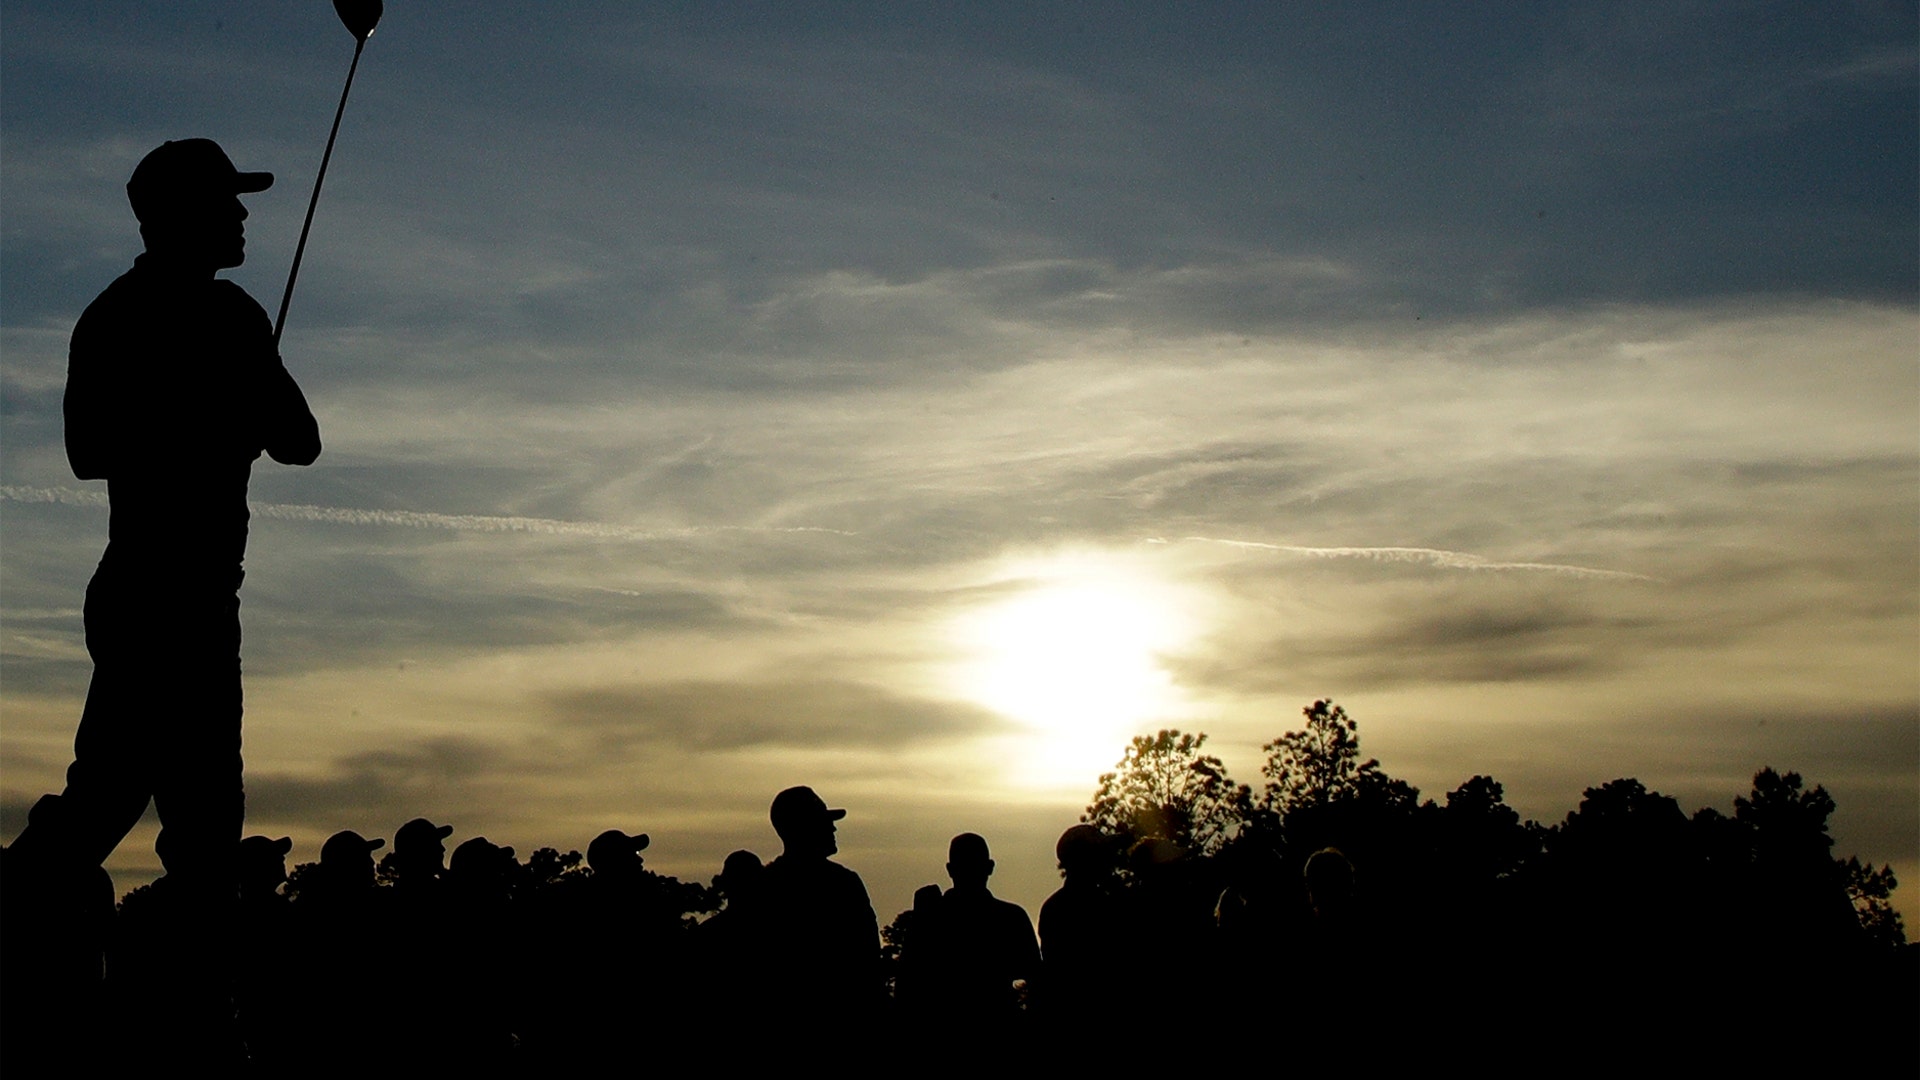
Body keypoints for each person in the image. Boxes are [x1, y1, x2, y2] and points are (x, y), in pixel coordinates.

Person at [6, 137, 320, 1058]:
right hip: (151, 596)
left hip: (198, 602)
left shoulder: (232, 317)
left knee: (198, 821)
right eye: (226, 203)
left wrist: (246, 389)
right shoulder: (125, 317)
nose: (243, 216)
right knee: (118, 803)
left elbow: (298, 439)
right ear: (176, 217)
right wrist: (208, 408)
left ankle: (192, 1011)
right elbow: (89, 451)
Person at [759, 786, 881, 1021]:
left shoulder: (763, 887)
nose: (833, 827)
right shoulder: (844, 885)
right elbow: (867, 963)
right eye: (824, 821)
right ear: (805, 827)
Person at [914, 833, 1040, 1020]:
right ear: (990, 868)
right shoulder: (1011, 918)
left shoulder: (932, 919)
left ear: (949, 870)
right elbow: (1037, 981)